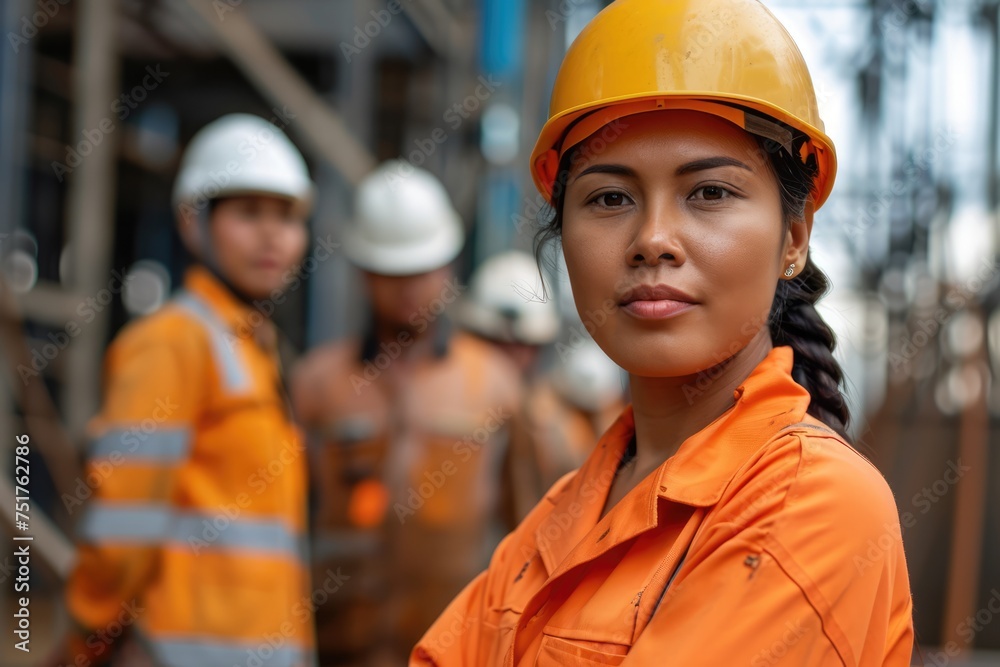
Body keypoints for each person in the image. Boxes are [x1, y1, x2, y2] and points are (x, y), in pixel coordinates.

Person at [411, 0, 914, 664]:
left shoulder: (815, 506)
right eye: (609, 197)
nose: (652, 240)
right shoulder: (568, 512)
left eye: (709, 192)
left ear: (794, 237)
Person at [57, 114, 317, 667]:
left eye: (287, 217)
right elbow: (124, 519)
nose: (273, 235)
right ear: (191, 222)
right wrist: (86, 633)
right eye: (248, 213)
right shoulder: (170, 343)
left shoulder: (256, 347)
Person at [291, 161, 522, 666]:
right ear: (363, 271)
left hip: (454, 651)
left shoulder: (496, 387)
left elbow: (530, 528)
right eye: (391, 272)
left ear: (447, 265)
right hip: (337, 648)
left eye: (421, 269)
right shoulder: (318, 385)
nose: (407, 287)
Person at [456, 251, 624, 517]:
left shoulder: (553, 416)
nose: (513, 357)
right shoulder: (447, 401)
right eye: (498, 344)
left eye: (524, 345)